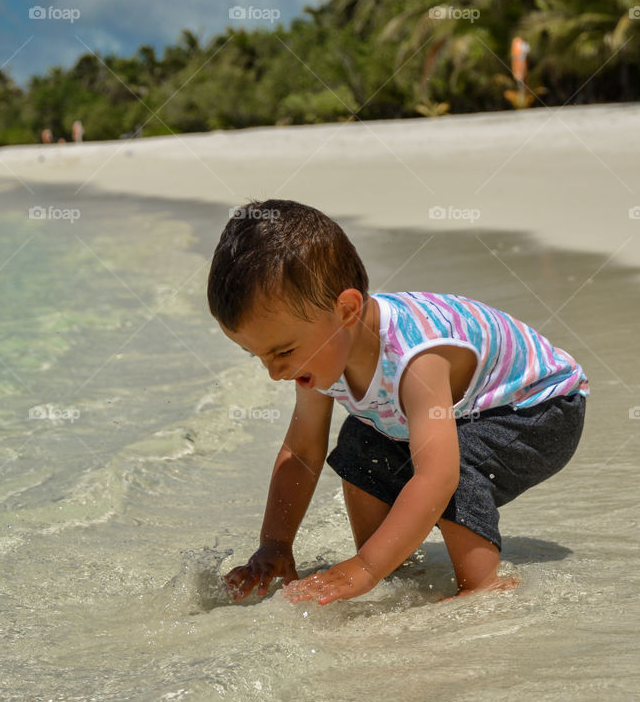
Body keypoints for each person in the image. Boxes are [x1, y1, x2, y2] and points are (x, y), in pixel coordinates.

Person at [207, 199, 588, 607]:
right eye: (259, 356)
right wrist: (275, 544)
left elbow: (437, 477)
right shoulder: (322, 350)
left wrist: (363, 569)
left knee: (455, 464)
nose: (274, 372)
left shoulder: (416, 357)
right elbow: (301, 453)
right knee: (359, 440)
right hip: (470, 408)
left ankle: (483, 585)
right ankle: (393, 562)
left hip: (540, 410)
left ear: (348, 311)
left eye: (282, 352)